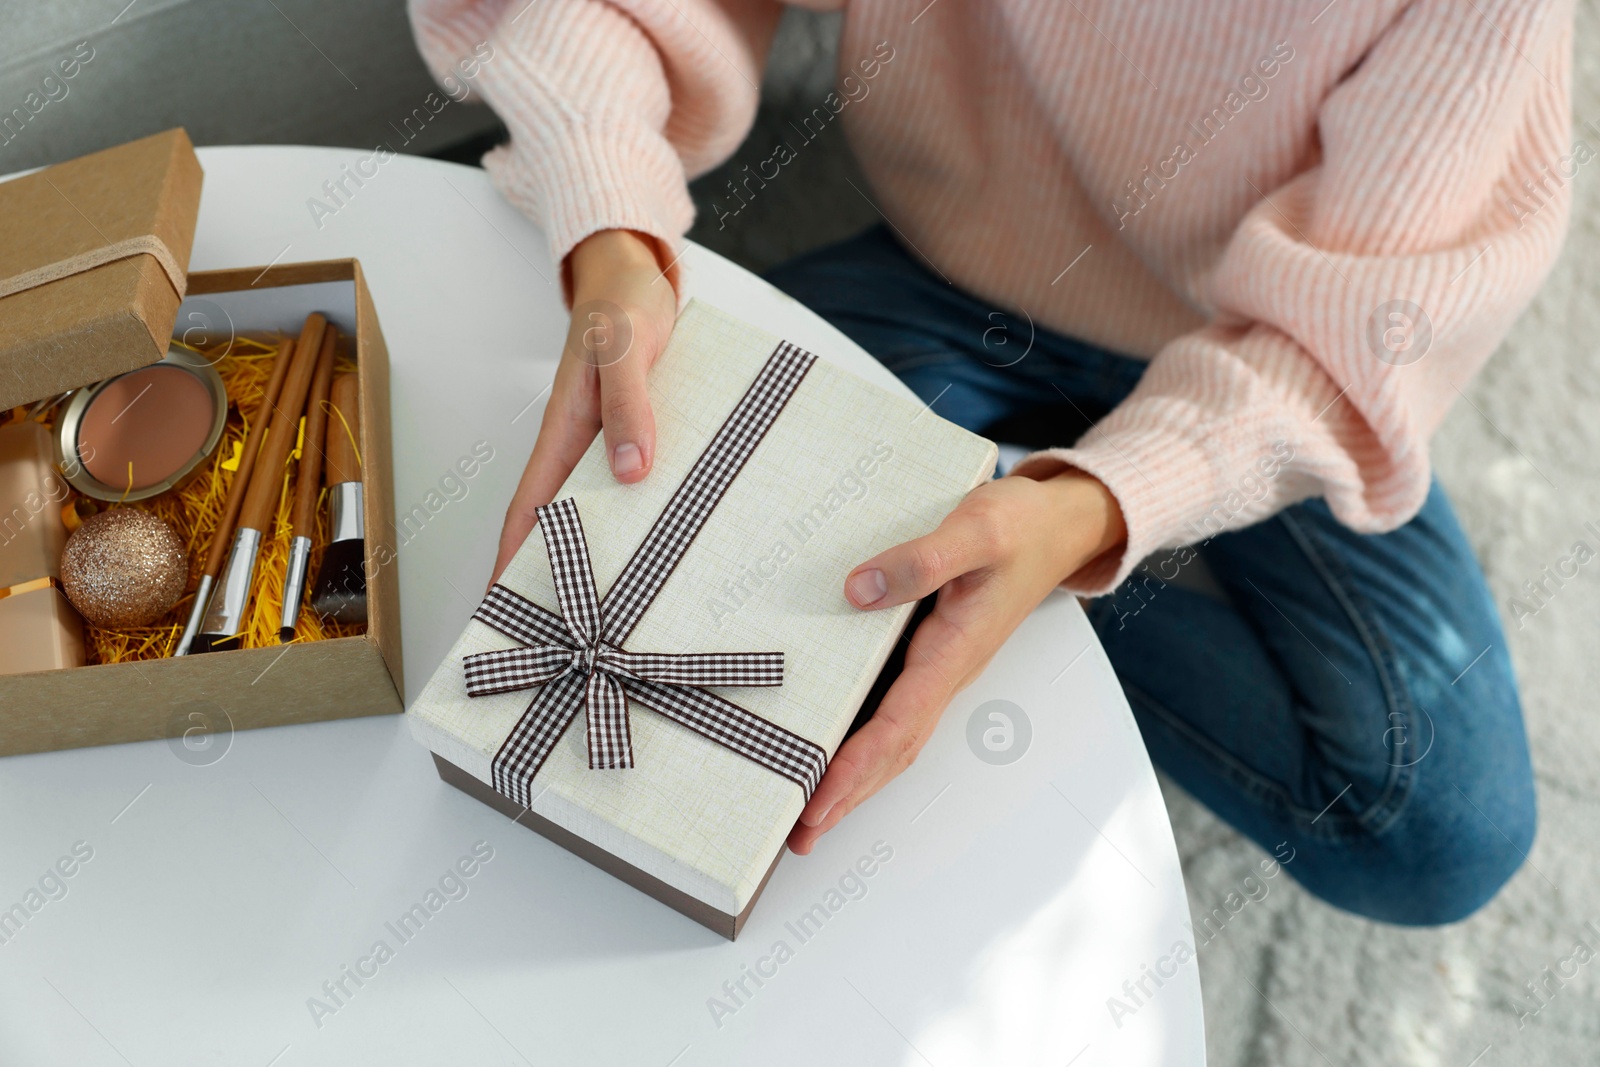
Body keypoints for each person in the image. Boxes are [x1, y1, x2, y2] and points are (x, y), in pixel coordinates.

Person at [409, 0, 1573, 924]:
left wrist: (1098, 508)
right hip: (948, 277)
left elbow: (1373, 317)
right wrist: (610, 226)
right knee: (721, 572)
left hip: (1277, 345)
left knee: (1435, 829)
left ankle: (1015, 545)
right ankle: (996, 541)